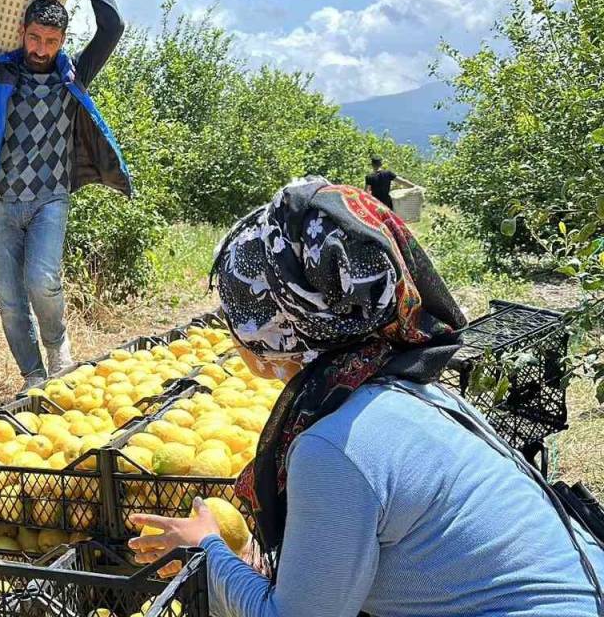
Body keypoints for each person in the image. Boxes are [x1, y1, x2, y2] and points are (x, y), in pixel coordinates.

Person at [128, 178, 604, 616]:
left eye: (235, 310)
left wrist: (209, 549)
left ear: (274, 326)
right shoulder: (403, 386)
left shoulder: (333, 447)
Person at [0, 0, 130, 389]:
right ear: (22, 32)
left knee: (41, 281)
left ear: (63, 40)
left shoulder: (75, 75)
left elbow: (113, 25)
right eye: (34, 38)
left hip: (50, 199)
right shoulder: (1, 72)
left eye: (51, 41)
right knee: (12, 302)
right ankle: (33, 378)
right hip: (1, 202)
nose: (40, 49)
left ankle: (58, 349)